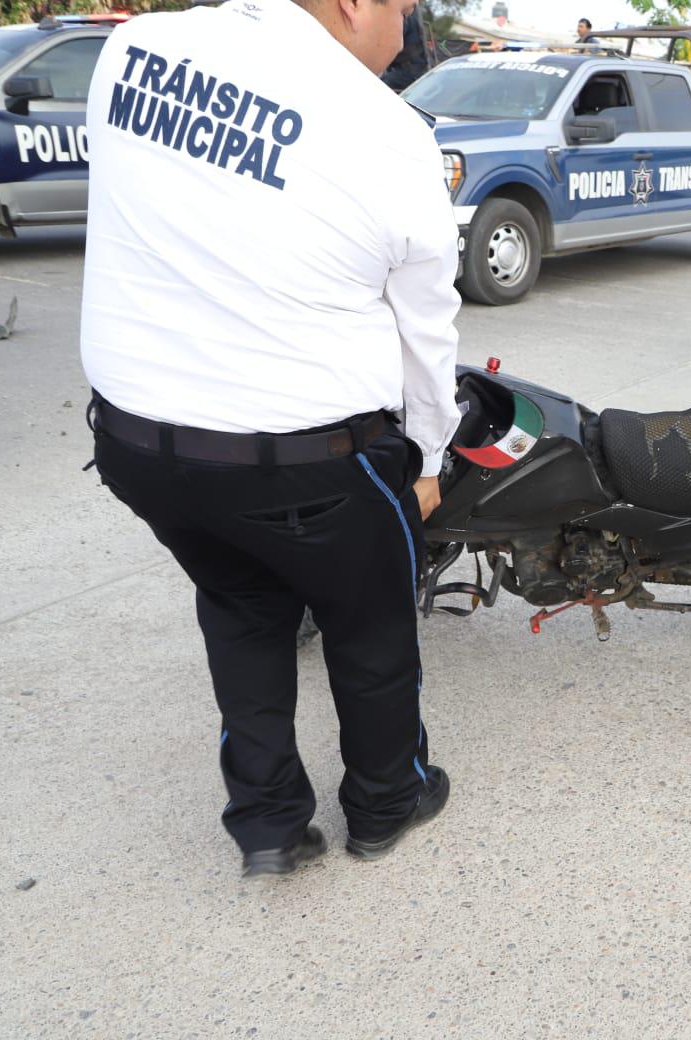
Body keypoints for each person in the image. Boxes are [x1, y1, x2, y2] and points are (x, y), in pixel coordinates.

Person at [81, 0, 460, 875]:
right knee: (369, 628)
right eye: (404, 7)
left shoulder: (133, 50)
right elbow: (427, 331)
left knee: (241, 607)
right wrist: (432, 457)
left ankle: (266, 822)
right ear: (355, 5)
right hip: (308, 460)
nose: (406, 27)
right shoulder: (387, 130)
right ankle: (386, 802)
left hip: (142, 450)